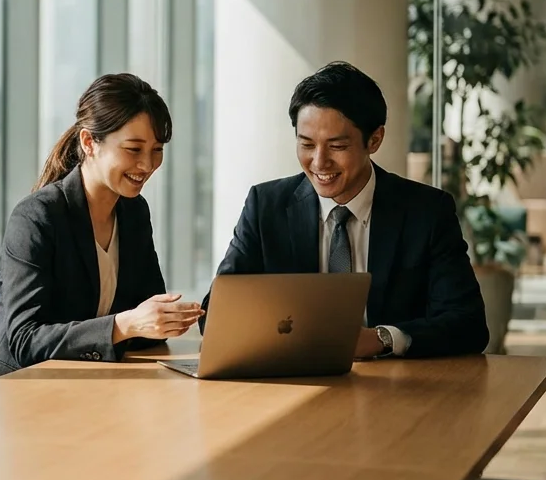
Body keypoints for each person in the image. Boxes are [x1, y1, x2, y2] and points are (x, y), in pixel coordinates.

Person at [203, 61, 488, 359]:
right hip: (292, 382)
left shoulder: (426, 212)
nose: (318, 162)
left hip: (396, 388)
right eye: (307, 144)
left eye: (336, 146)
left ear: (374, 139)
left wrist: (382, 339)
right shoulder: (266, 206)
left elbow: (469, 325)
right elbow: (213, 315)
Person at [0, 73, 203, 385]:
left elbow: (143, 322)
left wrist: (164, 320)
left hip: (79, 386)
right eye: (133, 149)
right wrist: (125, 325)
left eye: (157, 149)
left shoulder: (133, 212)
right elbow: (25, 340)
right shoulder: (36, 217)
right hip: (10, 393)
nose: (147, 164)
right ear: (89, 142)